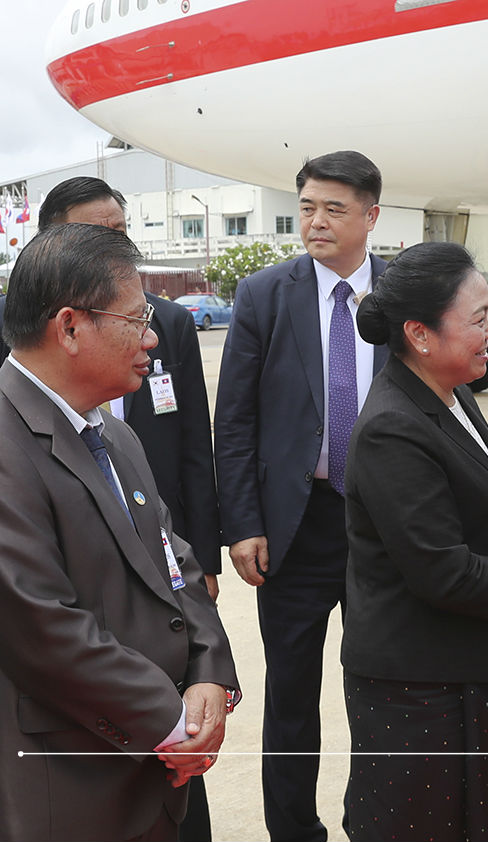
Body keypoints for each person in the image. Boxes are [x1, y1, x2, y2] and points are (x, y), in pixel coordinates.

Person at [0, 176, 224, 842]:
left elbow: (174, 562)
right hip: (73, 779)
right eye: (136, 322)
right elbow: (38, 622)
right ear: (69, 327)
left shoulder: (111, 431)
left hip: (151, 770)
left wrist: (211, 673)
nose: (152, 340)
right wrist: (170, 719)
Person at [340, 242, 488, 841]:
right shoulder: (393, 427)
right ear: (420, 334)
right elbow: (439, 570)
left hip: (471, 665)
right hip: (421, 687)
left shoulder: (451, 392)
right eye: (477, 320)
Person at [213, 150, 389, 842]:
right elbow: (236, 420)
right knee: (291, 695)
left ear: (371, 216)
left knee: (380, 685)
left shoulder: (404, 290)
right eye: (308, 206)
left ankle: (376, 820)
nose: (315, 221)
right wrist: (242, 524)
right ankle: (294, 829)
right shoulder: (264, 295)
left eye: (333, 209)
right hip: (293, 526)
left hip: (383, 523)